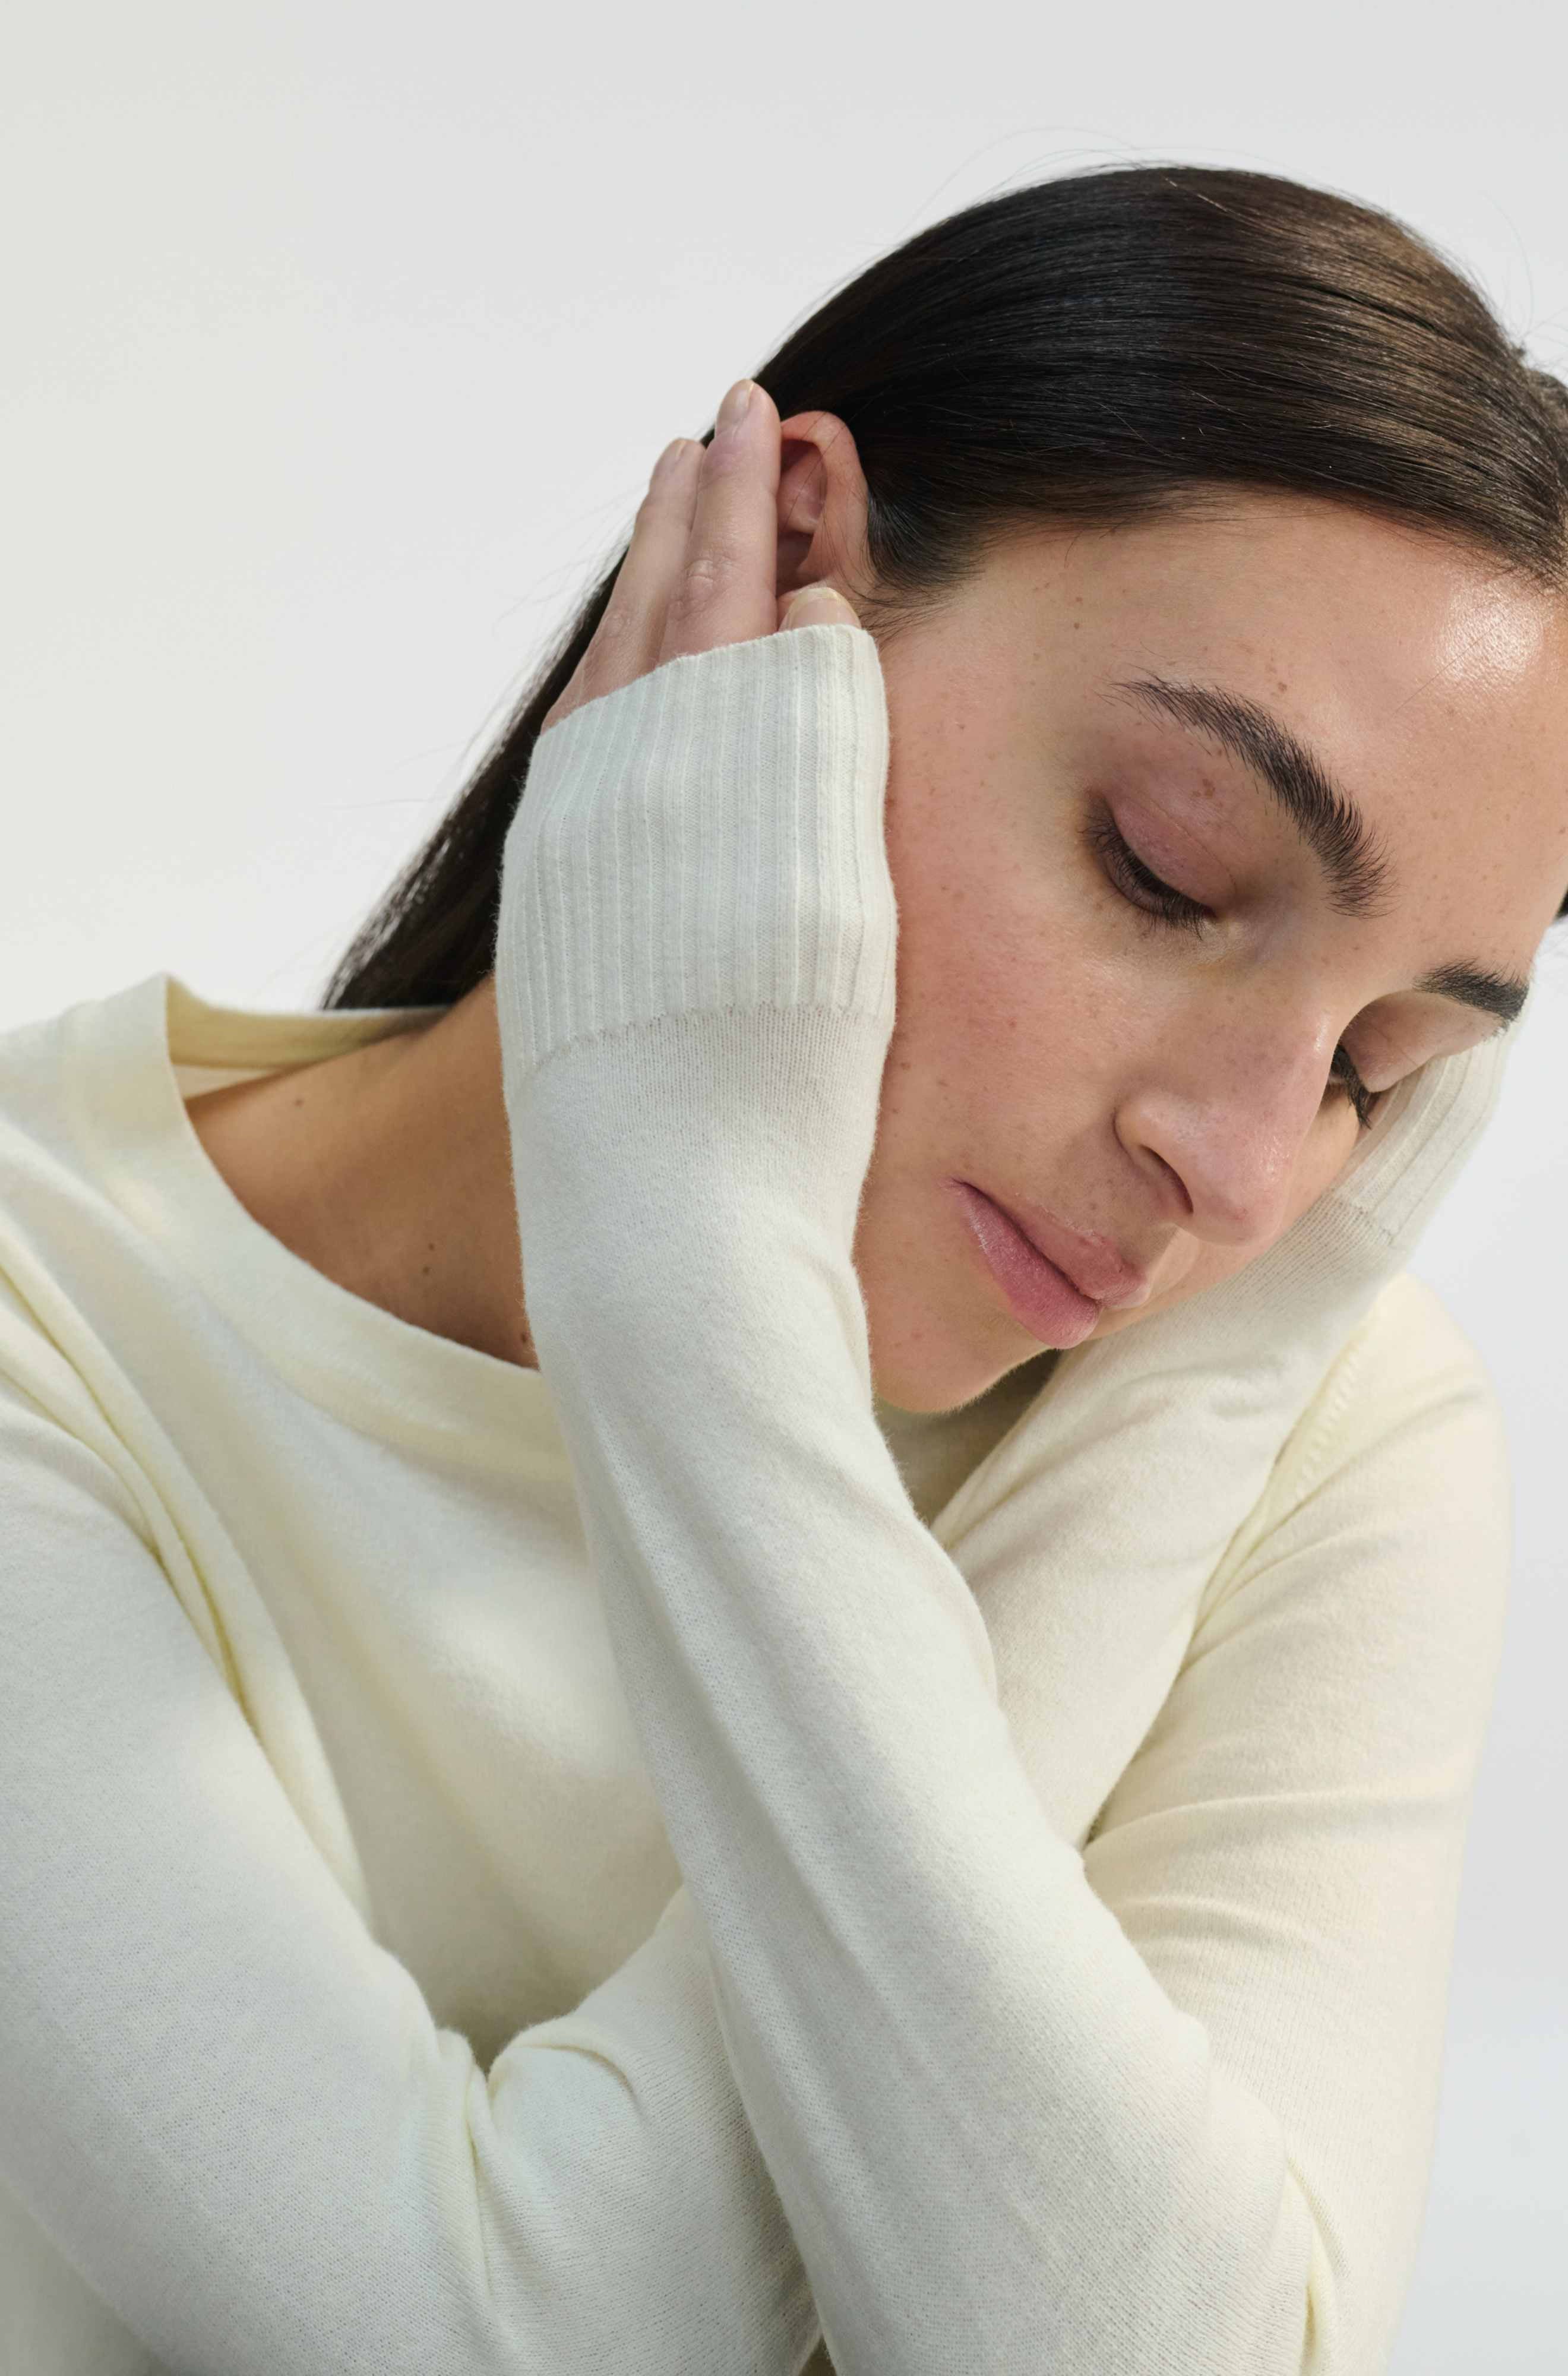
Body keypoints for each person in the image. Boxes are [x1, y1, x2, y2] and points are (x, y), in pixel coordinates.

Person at [1, 161, 1565, 2375]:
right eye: (1166, 864)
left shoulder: (1314, 1421)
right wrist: (695, 1276)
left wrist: (1188, 1408)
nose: (1235, 1174)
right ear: (787, 579)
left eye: (1381, 1068)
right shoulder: (46, 1321)